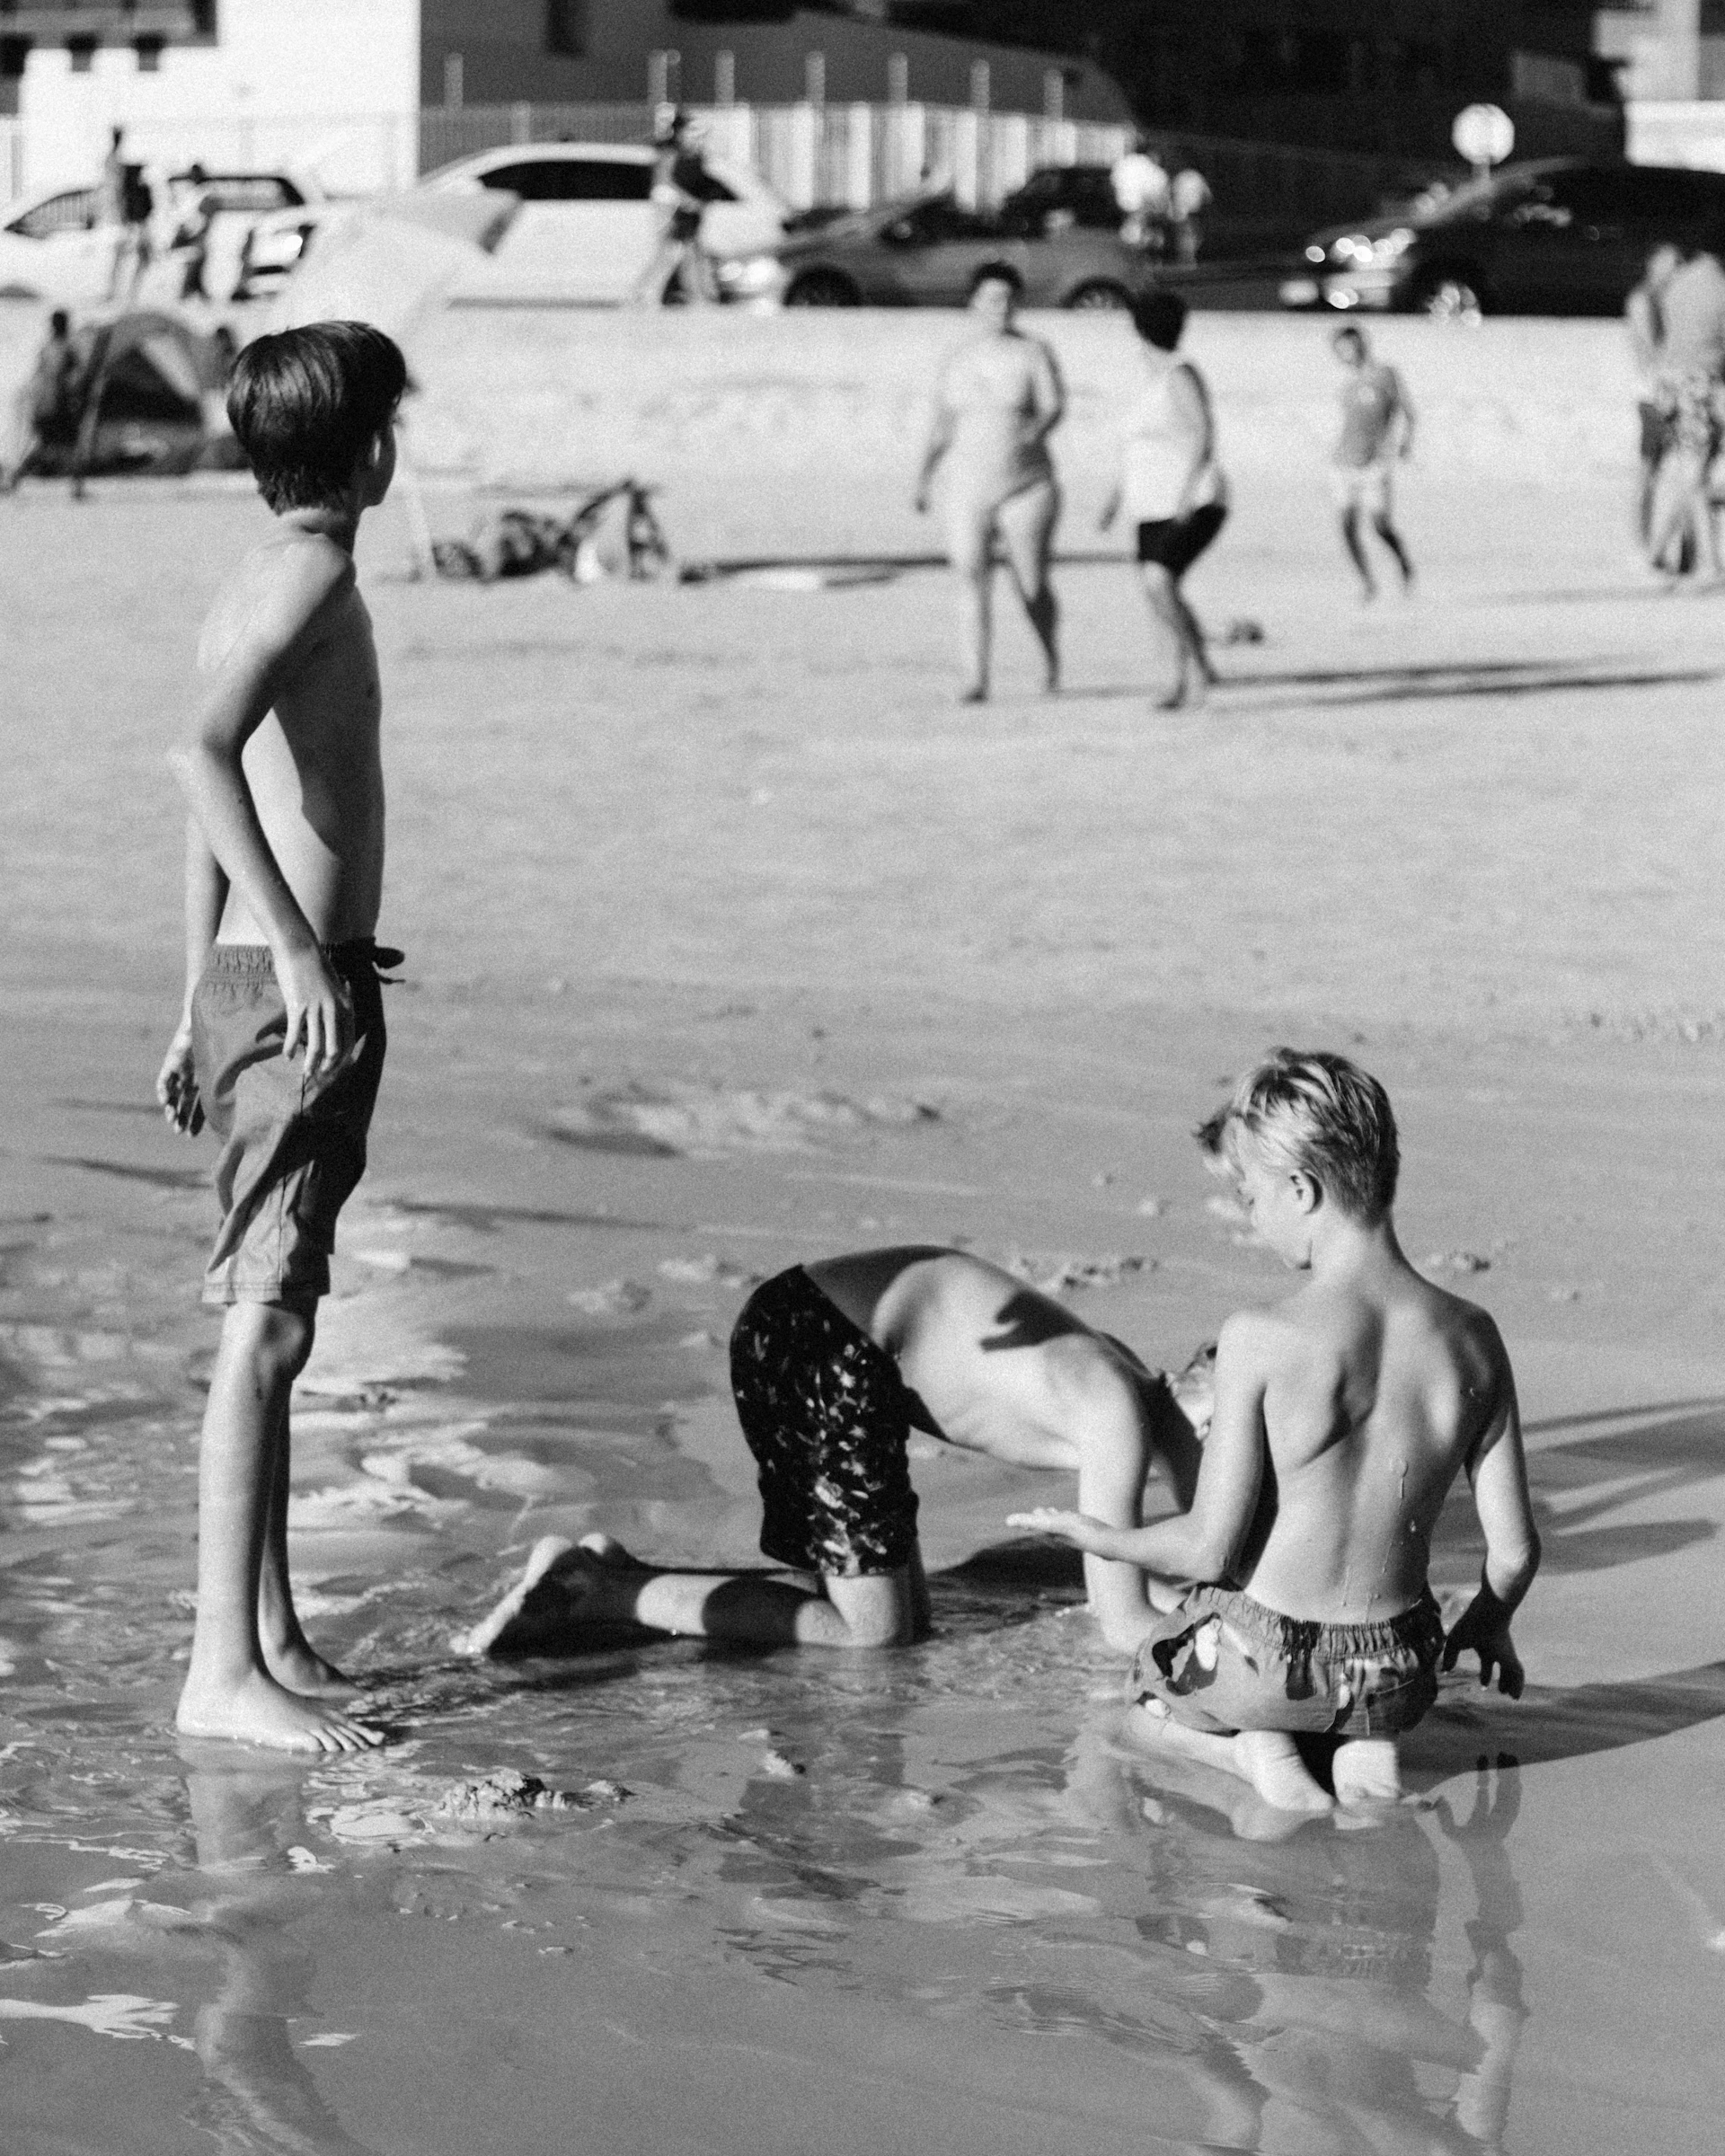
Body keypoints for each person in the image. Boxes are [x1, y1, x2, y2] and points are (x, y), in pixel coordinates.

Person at [1009, 1049, 1539, 1815]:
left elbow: (1209, 1550)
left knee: (1133, 1715)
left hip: (1262, 1663)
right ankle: (1365, 1757)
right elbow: (1516, 1551)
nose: (1252, 1219)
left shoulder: (1262, 1336)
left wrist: (1098, 1536)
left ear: (1302, 1188)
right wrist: (1489, 1623)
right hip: (1396, 1669)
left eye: (1250, 1198)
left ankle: (1250, 1755)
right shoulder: (1474, 1337)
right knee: (1362, 1699)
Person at [155, 320, 408, 1754]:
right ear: (369, 446)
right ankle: (218, 1671)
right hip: (299, 985)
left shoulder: (263, 573)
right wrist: (296, 955)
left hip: (261, 981)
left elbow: (216, 778)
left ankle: (270, 1636)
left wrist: (194, 991)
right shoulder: (308, 572)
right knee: (265, 1327)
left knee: (284, 1315)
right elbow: (193, 755)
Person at [464, 1245, 1212, 1657]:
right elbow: (1122, 1623)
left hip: (827, 1333)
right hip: (821, 1345)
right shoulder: (1115, 1414)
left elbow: (1184, 1559)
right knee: (874, 1636)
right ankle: (596, 1590)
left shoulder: (1131, 1382)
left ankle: (617, 1573)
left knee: (901, 1619)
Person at [915, 261, 1064, 702]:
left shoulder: (1033, 352)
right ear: (974, 302)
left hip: (1026, 483)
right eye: (992, 298)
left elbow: (1053, 406)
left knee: (1031, 584)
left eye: (1008, 298)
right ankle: (975, 678)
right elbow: (942, 423)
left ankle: (1049, 657)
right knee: (970, 577)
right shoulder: (958, 357)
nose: (1001, 306)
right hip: (965, 483)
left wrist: (1033, 431)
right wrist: (922, 477)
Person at [1099, 288, 1226, 709]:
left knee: (1159, 581)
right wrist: (1115, 497)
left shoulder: (1180, 374)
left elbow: (1204, 432)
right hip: (1148, 502)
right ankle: (1174, 681)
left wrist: (1188, 491)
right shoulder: (1143, 382)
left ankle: (1201, 664)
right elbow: (1133, 448)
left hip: (1195, 500)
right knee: (1157, 594)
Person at [1645, 223, 1725, 586]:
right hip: (1701, 386)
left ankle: (1658, 553)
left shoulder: (1679, 284)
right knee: (1695, 475)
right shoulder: (1719, 288)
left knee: (1686, 472)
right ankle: (1710, 564)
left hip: (1671, 385)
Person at [1330, 324, 1415, 600]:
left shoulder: (1384, 375)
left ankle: (1402, 562)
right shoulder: (1345, 383)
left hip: (1375, 462)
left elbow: (1407, 412)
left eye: (1350, 347)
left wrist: (1404, 442)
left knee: (1380, 525)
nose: (1347, 354)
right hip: (1343, 463)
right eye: (1341, 349)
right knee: (1346, 525)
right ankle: (1366, 582)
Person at [630, 109, 715, 306]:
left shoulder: (687, 153)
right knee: (670, 252)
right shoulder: (670, 152)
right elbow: (664, 180)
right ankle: (642, 294)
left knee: (684, 253)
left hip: (676, 206)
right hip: (668, 204)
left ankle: (694, 296)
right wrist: (688, 200)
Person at [0, 308, 83, 491]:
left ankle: (15, 479)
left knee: (48, 445)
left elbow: (40, 375)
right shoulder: (66, 348)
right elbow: (72, 376)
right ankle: (76, 487)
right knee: (64, 445)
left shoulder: (50, 347)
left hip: (47, 404)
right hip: (58, 404)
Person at [1110, 134, 1171, 255]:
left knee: (1134, 226)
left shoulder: (1122, 162)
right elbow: (1157, 186)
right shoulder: (1148, 165)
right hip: (1141, 204)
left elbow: (1114, 182)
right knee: (1142, 226)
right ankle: (1143, 249)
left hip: (1123, 203)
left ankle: (1131, 248)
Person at [1169, 159, 1212, 267]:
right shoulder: (1198, 177)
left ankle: (1184, 258)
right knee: (1194, 235)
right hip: (1194, 211)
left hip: (1180, 211)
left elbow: (1171, 193)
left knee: (1182, 235)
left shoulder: (1180, 177)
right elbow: (1208, 196)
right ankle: (1190, 258)